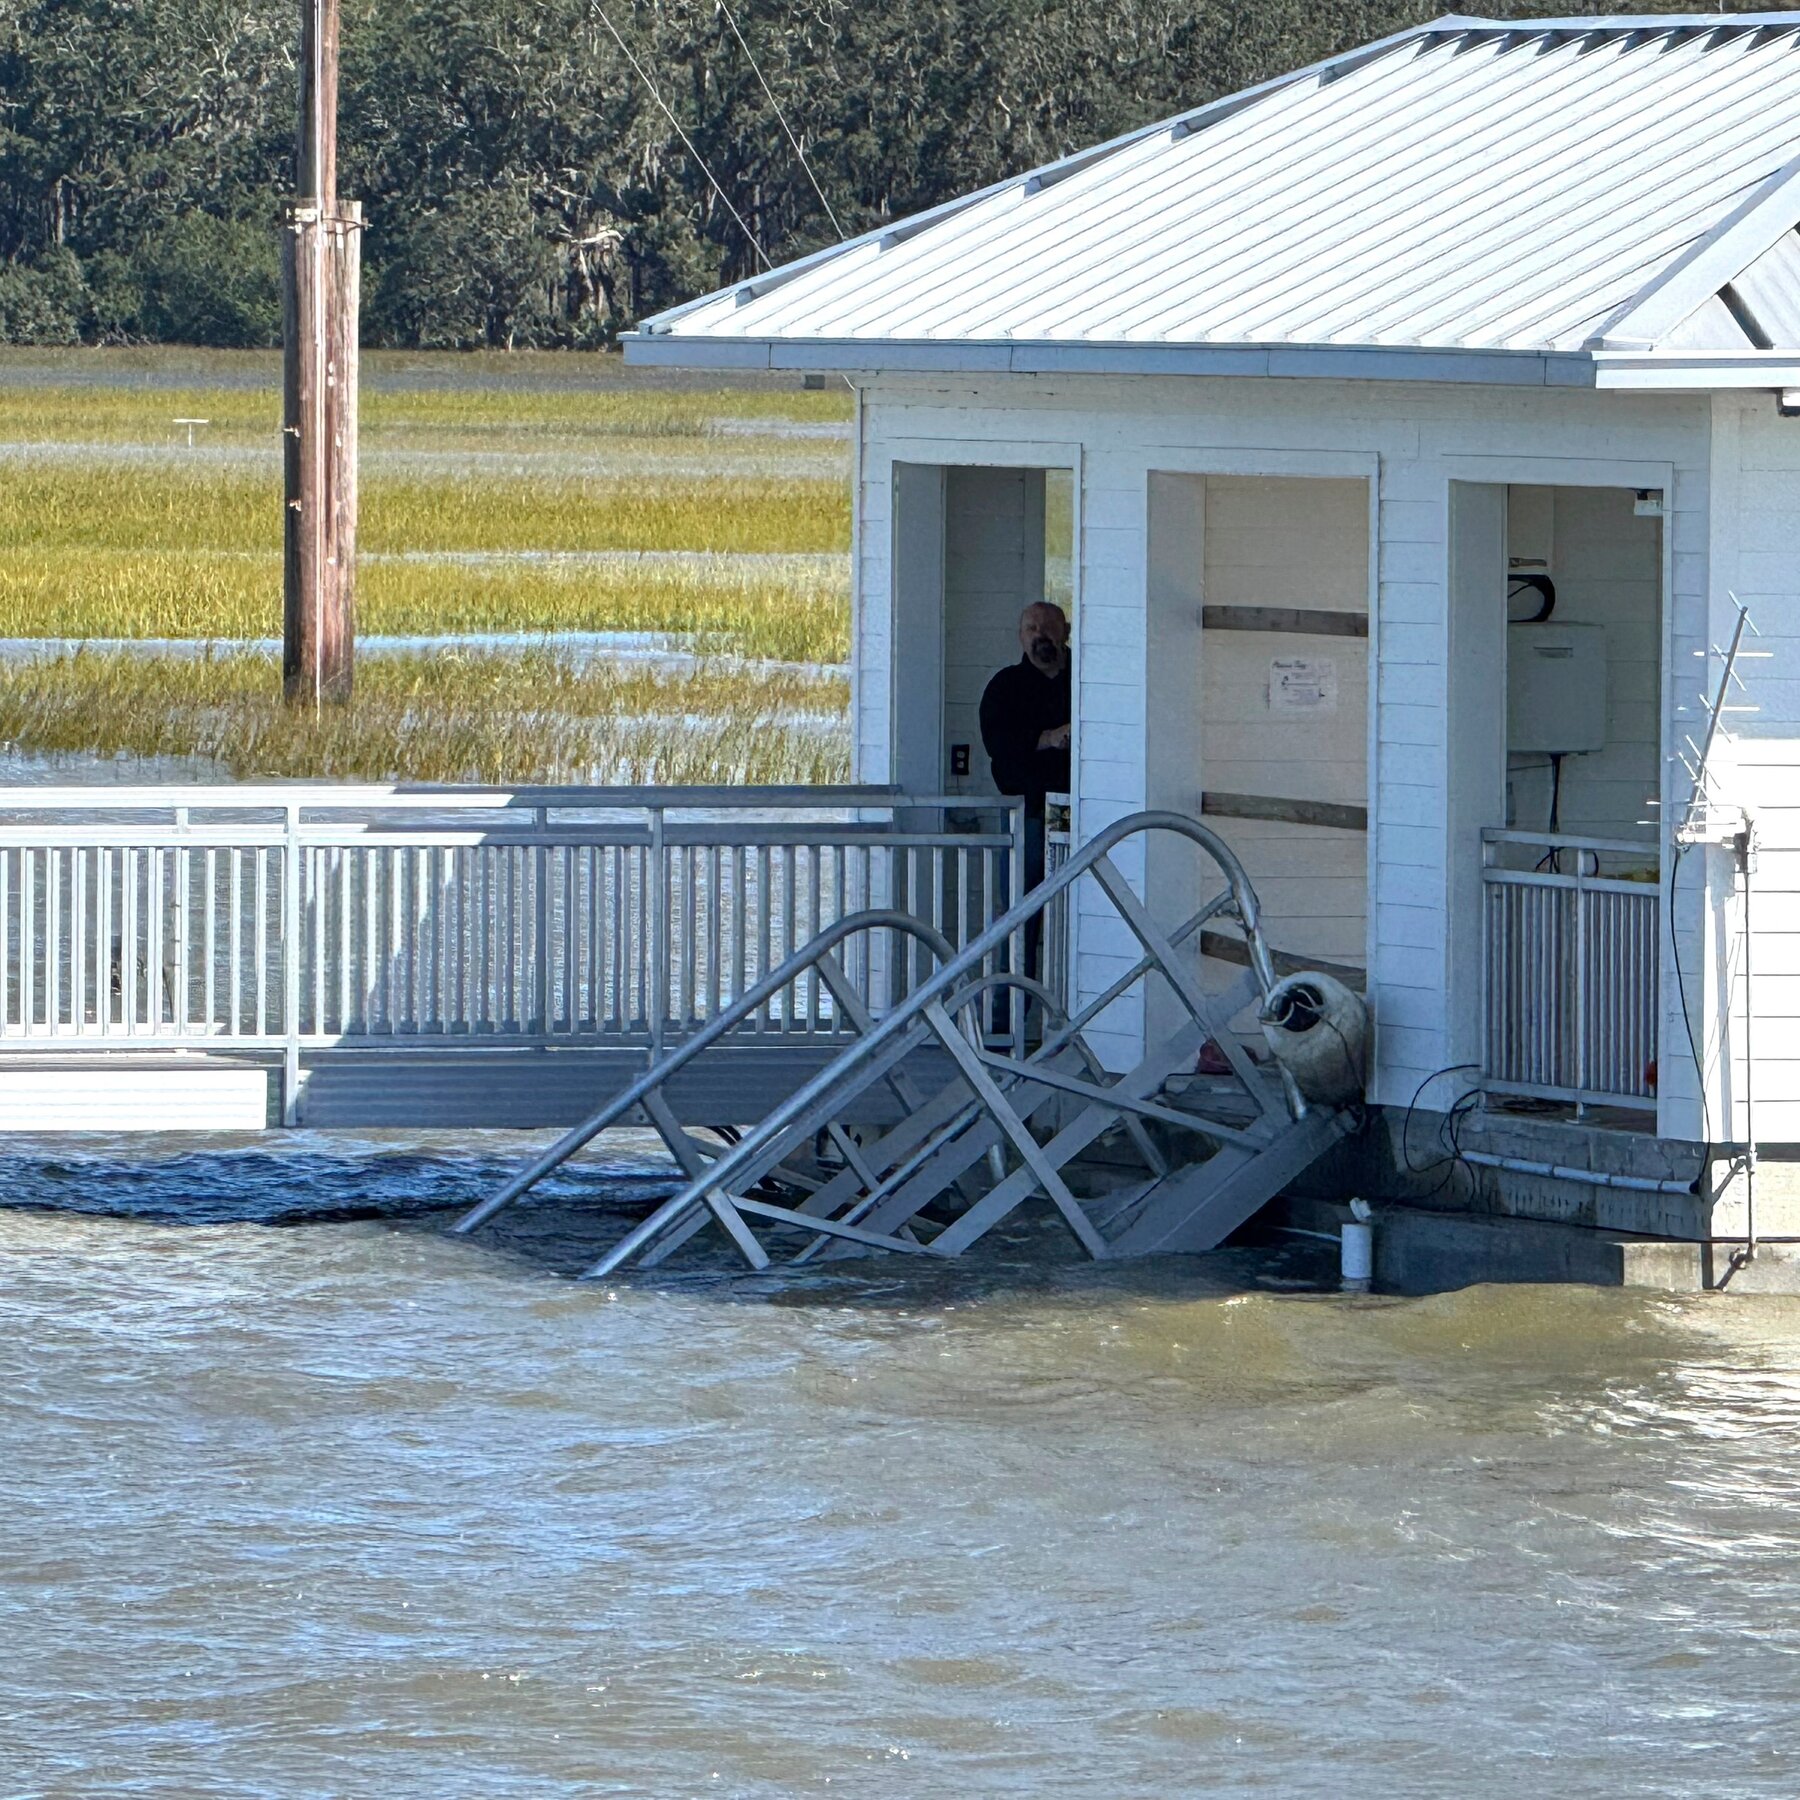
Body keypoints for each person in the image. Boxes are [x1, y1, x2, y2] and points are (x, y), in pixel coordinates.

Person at [979, 603, 1070, 1002]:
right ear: (1020, 636)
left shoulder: (1089, 681)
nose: (1040, 635)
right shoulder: (1006, 686)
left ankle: (1076, 1021)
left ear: (1065, 631)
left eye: (1048, 627)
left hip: (1083, 818)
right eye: (1031, 628)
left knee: (1080, 919)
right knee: (1018, 920)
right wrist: (1049, 737)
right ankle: (1008, 1022)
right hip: (1027, 818)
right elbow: (998, 745)